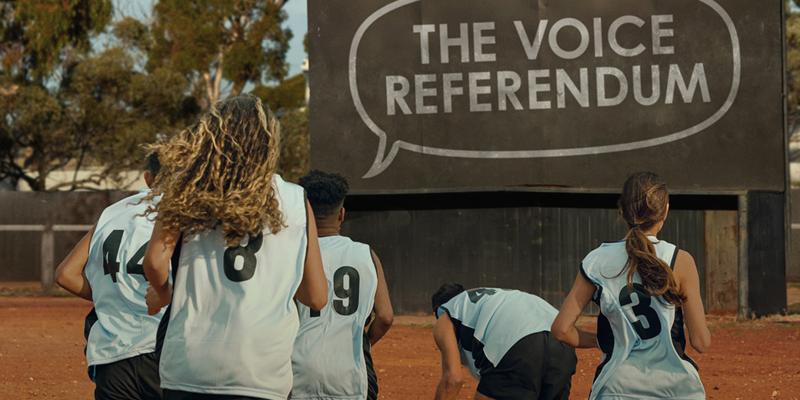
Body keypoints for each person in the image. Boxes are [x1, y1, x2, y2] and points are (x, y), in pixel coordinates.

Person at [142, 95, 328, 400]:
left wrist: (162, 292)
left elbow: (154, 262)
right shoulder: (296, 199)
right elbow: (317, 297)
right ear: (268, 143)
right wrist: (274, 278)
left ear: (211, 136)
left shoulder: (187, 188)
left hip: (189, 364)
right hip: (261, 371)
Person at [551, 171, 711, 399]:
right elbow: (701, 342)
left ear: (622, 211)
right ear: (665, 210)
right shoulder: (681, 260)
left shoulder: (596, 261)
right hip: (677, 388)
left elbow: (561, 330)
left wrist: (603, 341)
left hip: (617, 388)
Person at [55, 152, 165, 400]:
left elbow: (65, 274)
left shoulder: (112, 212)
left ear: (147, 178)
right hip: (162, 351)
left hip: (111, 354)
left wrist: (115, 295)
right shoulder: (187, 216)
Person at [291, 170, 394, 400]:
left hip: (298, 371)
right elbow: (385, 317)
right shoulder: (366, 254)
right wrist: (364, 344)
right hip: (351, 374)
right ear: (341, 214)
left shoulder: (293, 254)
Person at [431, 284, 579, 400]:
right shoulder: (488, 297)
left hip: (518, 344)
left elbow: (453, 379)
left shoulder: (446, 313)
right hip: (562, 344)